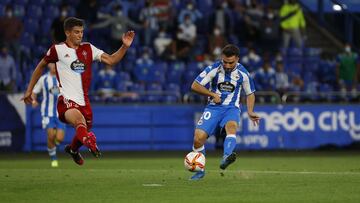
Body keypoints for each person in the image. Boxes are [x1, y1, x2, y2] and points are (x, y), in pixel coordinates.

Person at [22, 17, 135, 165]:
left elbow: (112, 60)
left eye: (81, 32)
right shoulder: (57, 50)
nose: (80, 35)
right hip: (66, 100)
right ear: (67, 33)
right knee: (79, 122)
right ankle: (89, 143)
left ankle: (73, 149)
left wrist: (125, 46)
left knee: (83, 128)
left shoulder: (88, 48)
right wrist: (29, 90)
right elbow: (40, 66)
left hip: (84, 101)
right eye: (76, 32)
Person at [189, 44, 260, 180]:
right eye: (225, 62)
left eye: (231, 62)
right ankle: (200, 170)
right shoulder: (214, 69)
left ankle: (226, 156)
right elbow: (195, 85)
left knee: (231, 126)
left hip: (231, 108)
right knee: (198, 139)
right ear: (222, 57)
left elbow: (250, 93)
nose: (227, 65)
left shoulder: (243, 73)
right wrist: (211, 94)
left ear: (237, 59)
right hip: (213, 108)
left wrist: (250, 111)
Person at [32, 63, 66, 168]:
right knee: (51, 136)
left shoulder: (64, 78)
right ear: (49, 65)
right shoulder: (43, 79)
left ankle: (52, 147)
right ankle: (53, 158)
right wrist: (33, 101)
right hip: (47, 113)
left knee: (59, 138)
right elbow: (34, 92)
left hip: (61, 112)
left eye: (56, 63)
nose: (54, 66)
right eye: (52, 64)